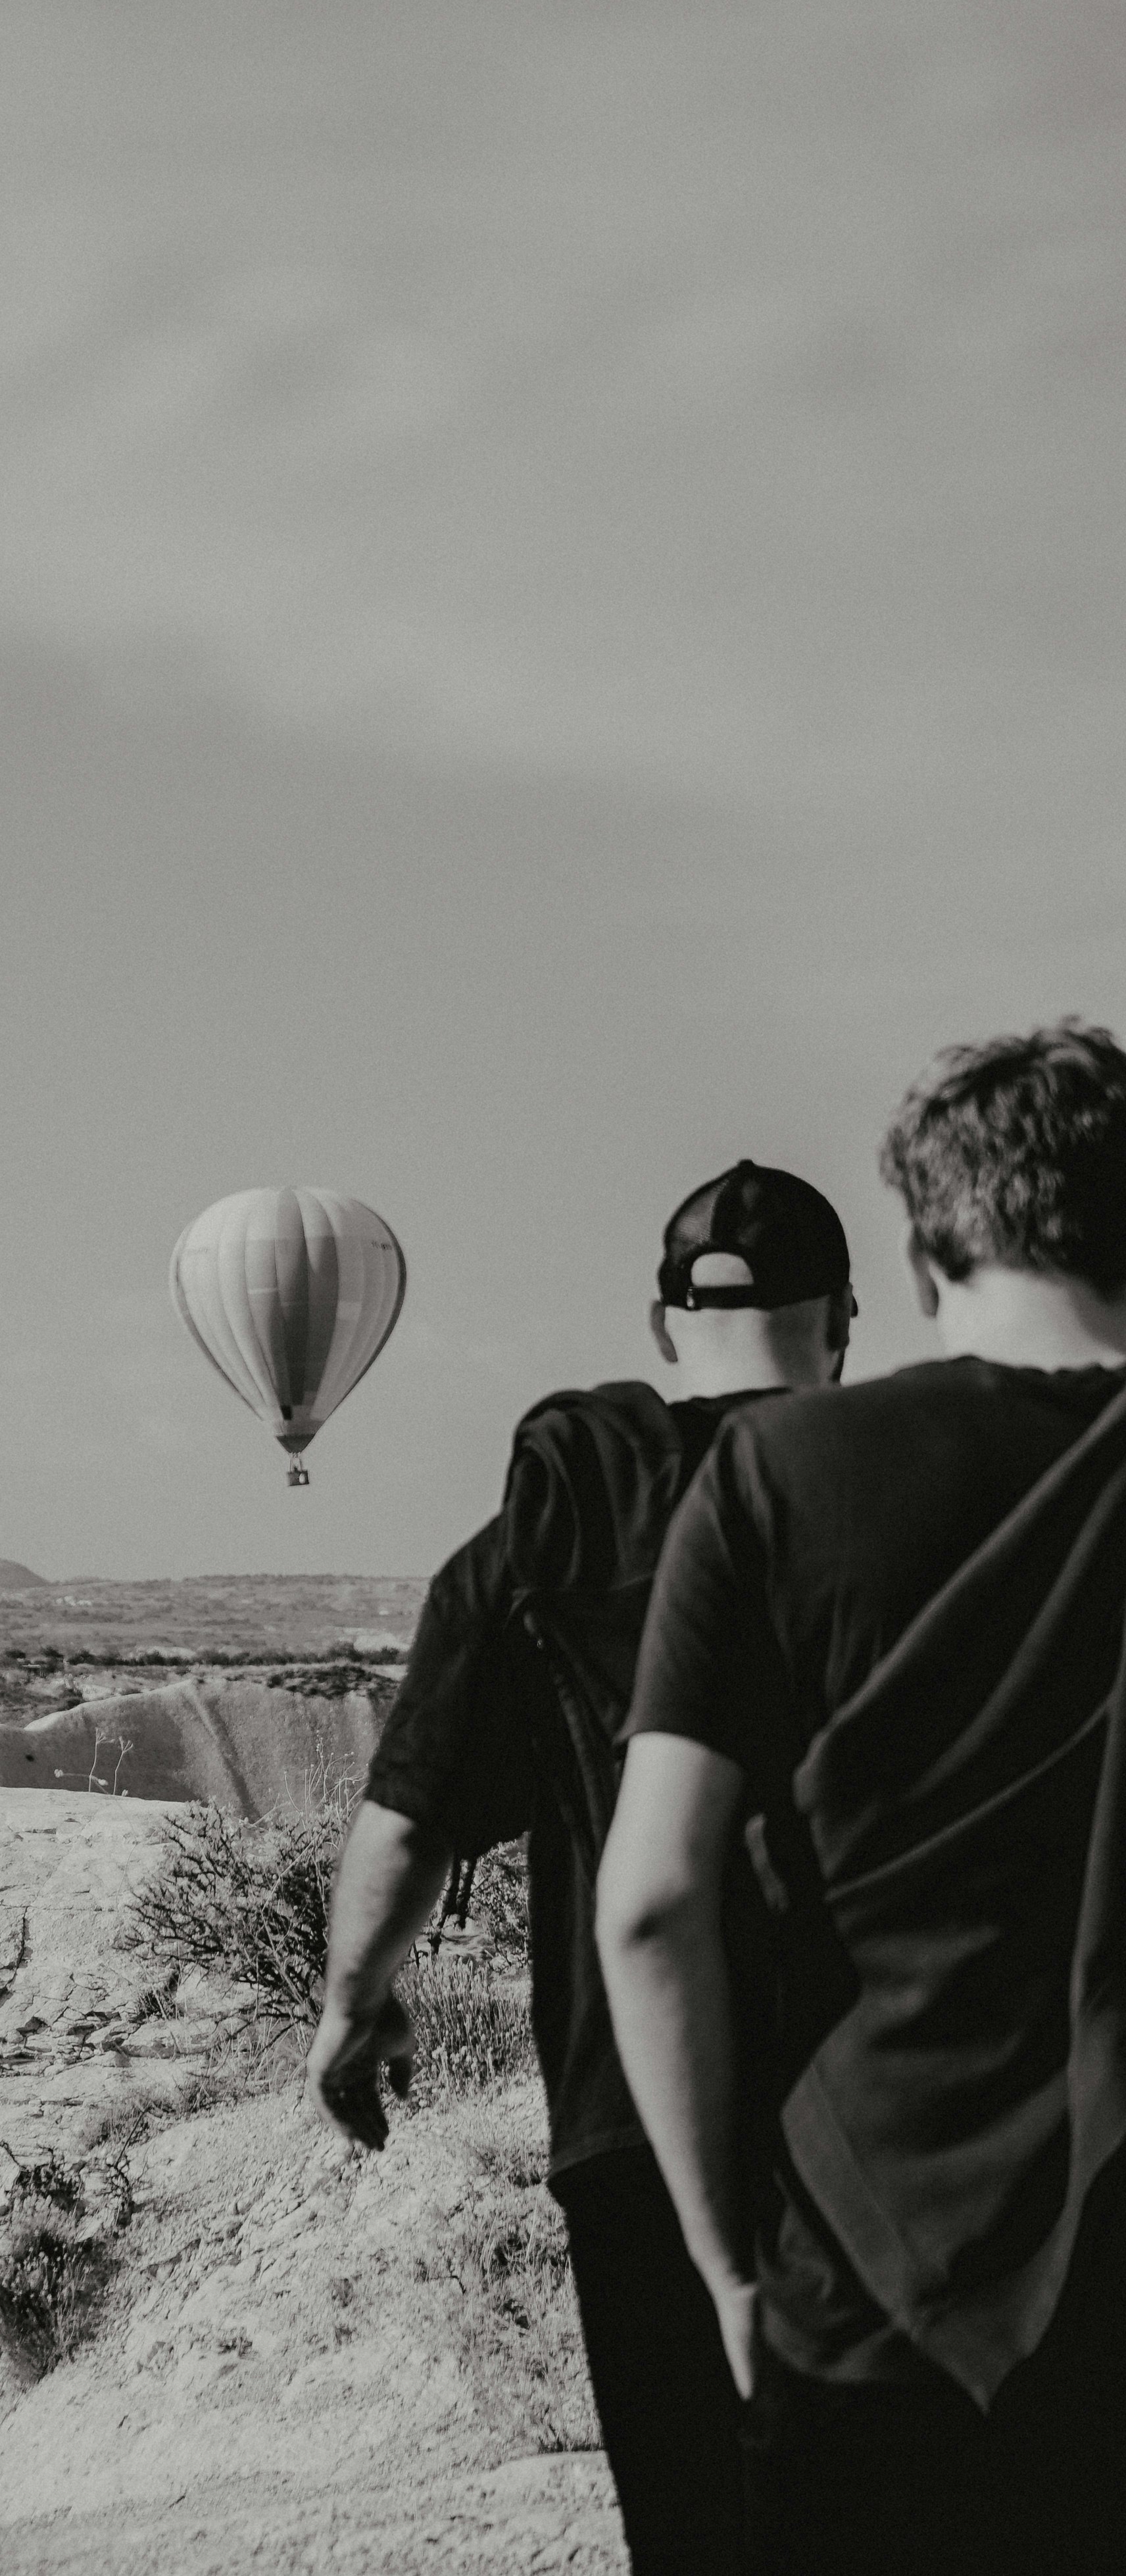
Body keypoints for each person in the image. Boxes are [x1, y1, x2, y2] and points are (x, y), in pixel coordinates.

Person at [597, 1020, 1126, 2576]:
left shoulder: (779, 1483)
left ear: (912, 1254)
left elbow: (648, 1904)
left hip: (860, 2266)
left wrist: (722, 2269)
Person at [306, 1160, 855, 2576]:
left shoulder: (550, 1533)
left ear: (666, 1326)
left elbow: (409, 1816)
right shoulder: (901, 1504)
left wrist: (350, 2003)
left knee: (694, 2529)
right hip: (878, 2104)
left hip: (629, 2116)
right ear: (845, 1321)